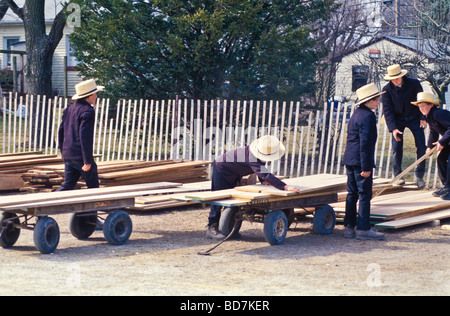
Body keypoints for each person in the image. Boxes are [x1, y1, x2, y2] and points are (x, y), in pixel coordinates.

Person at [206, 135, 301, 239]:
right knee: (218, 199)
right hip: (221, 168)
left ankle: (230, 230)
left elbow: (260, 169)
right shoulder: (251, 157)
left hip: (233, 171)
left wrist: (263, 180)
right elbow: (264, 173)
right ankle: (212, 228)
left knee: (232, 201)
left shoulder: (258, 153)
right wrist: (285, 187)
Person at [343, 83, 385, 240]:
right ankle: (363, 228)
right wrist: (366, 166)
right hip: (361, 160)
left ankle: (349, 226)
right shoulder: (368, 116)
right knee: (364, 194)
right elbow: (365, 143)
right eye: (376, 100)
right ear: (368, 101)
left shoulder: (357, 114)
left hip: (350, 159)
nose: (378, 102)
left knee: (351, 193)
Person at [381, 64, 426, 188]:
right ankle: (398, 175)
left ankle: (420, 176)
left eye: (398, 78)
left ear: (402, 76)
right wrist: (394, 128)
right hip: (398, 121)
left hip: (414, 118)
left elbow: (421, 101)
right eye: (393, 79)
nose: (396, 81)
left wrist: (423, 118)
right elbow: (387, 110)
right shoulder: (386, 90)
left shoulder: (414, 83)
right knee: (397, 148)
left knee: (421, 146)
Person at [57, 79, 104, 191]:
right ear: (89, 96)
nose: (96, 97)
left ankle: (45, 203)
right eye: (95, 94)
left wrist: (63, 151)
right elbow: (84, 137)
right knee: (93, 188)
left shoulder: (69, 109)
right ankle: (92, 209)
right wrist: (87, 161)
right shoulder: (88, 111)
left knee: (67, 186)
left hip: (68, 155)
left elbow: (61, 130)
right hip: (80, 157)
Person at [412, 92, 450, 199]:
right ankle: (446, 186)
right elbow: (433, 132)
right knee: (441, 159)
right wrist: (429, 147)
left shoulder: (438, 113)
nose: (422, 108)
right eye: (420, 106)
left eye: (424, 105)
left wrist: (442, 142)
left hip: (447, 140)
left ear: (431, 105)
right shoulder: (429, 116)